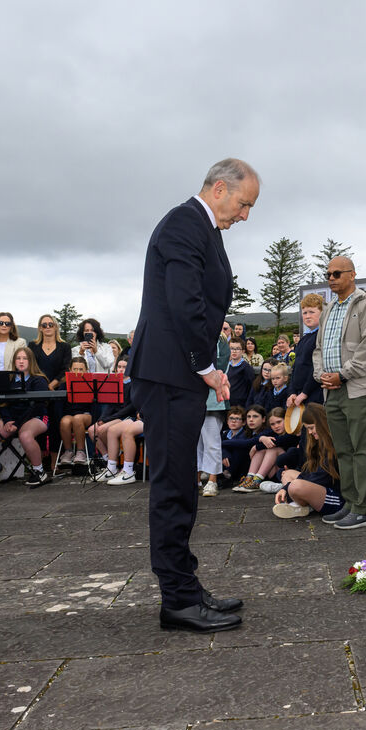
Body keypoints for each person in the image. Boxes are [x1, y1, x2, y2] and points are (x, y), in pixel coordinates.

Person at [129, 157, 256, 634]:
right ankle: (178, 601)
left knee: (183, 481)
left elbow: (199, 303)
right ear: (220, 189)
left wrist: (211, 370)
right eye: (244, 204)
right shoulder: (185, 222)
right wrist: (207, 367)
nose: (245, 215)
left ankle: (186, 587)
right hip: (168, 373)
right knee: (173, 485)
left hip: (178, 371)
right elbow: (186, 302)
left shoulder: (204, 228)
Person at [313, 257, 366, 530]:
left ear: (352, 275)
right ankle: (351, 503)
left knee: (362, 448)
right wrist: (321, 375)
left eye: (336, 273)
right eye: (328, 273)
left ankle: (365, 509)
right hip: (332, 390)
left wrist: (342, 374)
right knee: (343, 450)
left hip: (359, 388)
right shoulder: (329, 309)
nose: (330, 277)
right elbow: (318, 349)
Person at [0, 347, 51, 487]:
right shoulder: (9, 379)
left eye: (25, 358)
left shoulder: (39, 380)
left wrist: (17, 423)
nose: (21, 361)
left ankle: (39, 470)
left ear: (31, 361)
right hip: (13, 419)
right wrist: (7, 421)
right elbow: (3, 404)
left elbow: (35, 406)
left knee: (25, 435)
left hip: (36, 417)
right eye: (18, 358)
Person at [270, 403, 347, 519]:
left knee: (295, 486)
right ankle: (303, 506)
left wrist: (288, 489)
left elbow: (322, 477)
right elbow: (308, 471)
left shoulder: (335, 443)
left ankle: (297, 504)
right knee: (287, 474)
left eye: (311, 427)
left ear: (322, 423)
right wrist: (286, 488)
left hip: (337, 498)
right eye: (307, 429)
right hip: (321, 487)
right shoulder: (319, 442)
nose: (310, 432)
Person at [30, 313, 73, 468]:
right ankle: (39, 464)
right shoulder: (32, 346)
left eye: (50, 324)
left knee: (55, 426)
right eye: (44, 325)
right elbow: (32, 368)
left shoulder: (65, 347)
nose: (47, 327)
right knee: (38, 424)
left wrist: (51, 386)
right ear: (40, 328)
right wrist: (42, 385)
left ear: (56, 327)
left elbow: (65, 369)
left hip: (57, 393)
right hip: (37, 392)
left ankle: (55, 464)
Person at [198, 322, 232, 498]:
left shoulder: (219, 341)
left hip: (213, 398)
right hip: (193, 398)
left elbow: (218, 368)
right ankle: (195, 479)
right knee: (195, 442)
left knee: (211, 441)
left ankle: (212, 480)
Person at [234, 406, 297, 492]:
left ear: (286, 420)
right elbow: (253, 441)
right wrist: (261, 439)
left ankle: (257, 480)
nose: (276, 426)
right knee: (262, 450)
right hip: (272, 472)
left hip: (286, 472)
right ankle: (250, 477)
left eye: (279, 422)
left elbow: (276, 442)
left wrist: (255, 447)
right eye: (273, 424)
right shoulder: (272, 432)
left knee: (272, 449)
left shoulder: (292, 433)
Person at [286, 294, 324, 408]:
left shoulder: (321, 337)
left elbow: (317, 368)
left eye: (312, 312)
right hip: (298, 396)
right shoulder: (303, 340)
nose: (307, 316)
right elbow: (295, 368)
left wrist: (305, 393)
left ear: (322, 313)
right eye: (305, 313)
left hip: (315, 395)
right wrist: (292, 392)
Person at [56, 357, 94, 468]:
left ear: (86, 370)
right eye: (75, 369)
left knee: (77, 418)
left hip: (86, 415)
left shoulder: (90, 383)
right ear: (70, 370)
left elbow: (94, 406)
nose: (78, 372)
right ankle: (68, 451)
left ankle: (81, 451)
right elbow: (60, 407)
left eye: (81, 369)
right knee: (64, 421)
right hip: (69, 414)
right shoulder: (63, 385)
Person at [225, 337, 255, 408]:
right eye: (231, 348)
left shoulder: (246, 368)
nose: (234, 351)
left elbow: (251, 388)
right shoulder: (226, 366)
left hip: (240, 405)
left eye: (237, 349)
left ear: (243, 351)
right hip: (226, 403)